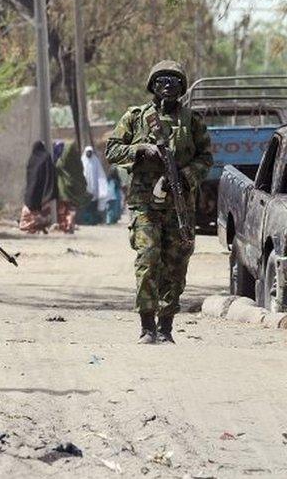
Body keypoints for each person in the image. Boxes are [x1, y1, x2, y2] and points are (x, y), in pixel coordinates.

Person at [106, 60, 213, 344]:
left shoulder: (192, 121)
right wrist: (141, 150)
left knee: (175, 265)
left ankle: (166, 326)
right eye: (162, 80)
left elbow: (206, 159)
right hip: (145, 204)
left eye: (174, 81)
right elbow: (112, 150)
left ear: (181, 87)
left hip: (179, 206)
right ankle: (147, 326)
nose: (168, 86)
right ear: (152, 85)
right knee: (148, 259)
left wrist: (184, 175)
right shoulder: (136, 117)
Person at [19, 141, 56, 234]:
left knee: (30, 211)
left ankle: (34, 226)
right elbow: (50, 173)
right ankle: (36, 226)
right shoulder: (46, 157)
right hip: (42, 190)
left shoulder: (32, 158)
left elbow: (29, 174)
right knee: (38, 212)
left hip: (31, 189)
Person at [54, 141, 90, 234]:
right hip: (75, 187)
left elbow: (57, 166)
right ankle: (70, 225)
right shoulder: (77, 161)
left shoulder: (62, 161)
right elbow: (81, 172)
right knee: (71, 208)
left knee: (64, 207)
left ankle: (65, 225)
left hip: (64, 188)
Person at [78, 145, 109, 225]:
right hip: (85, 187)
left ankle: (93, 221)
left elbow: (100, 175)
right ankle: (85, 221)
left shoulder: (96, 161)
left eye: (90, 152)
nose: (89, 154)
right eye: (87, 152)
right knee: (85, 204)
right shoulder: (82, 161)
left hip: (95, 188)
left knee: (93, 205)